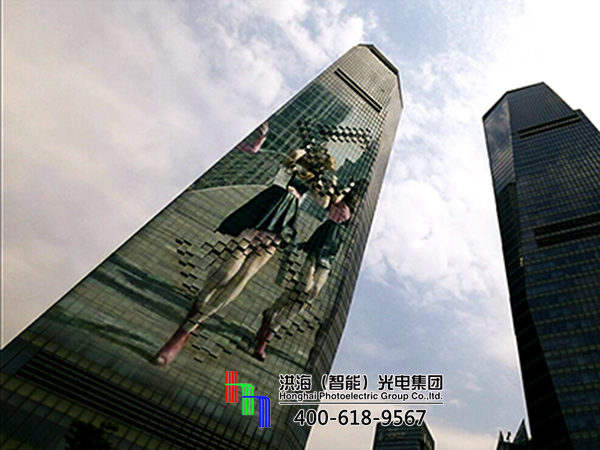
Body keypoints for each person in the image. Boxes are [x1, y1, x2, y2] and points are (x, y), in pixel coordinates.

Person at [153, 125, 335, 367]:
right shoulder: (296, 159)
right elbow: (290, 160)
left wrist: (324, 182)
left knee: (243, 277)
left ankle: (185, 331)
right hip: (264, 212)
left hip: (280, 226)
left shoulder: (318, 178)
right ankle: (198, 307)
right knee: (226, 272)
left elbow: (324, 203)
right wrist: (303, 158)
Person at [252, 179, 367, 362]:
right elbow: (329, 200)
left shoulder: (356, 212)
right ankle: (269, 321)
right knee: (304, 287)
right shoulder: (339, 199)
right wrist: (347, 188)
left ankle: (270, 325)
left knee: (310, 294)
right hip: (319, 244)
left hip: (331, 253)